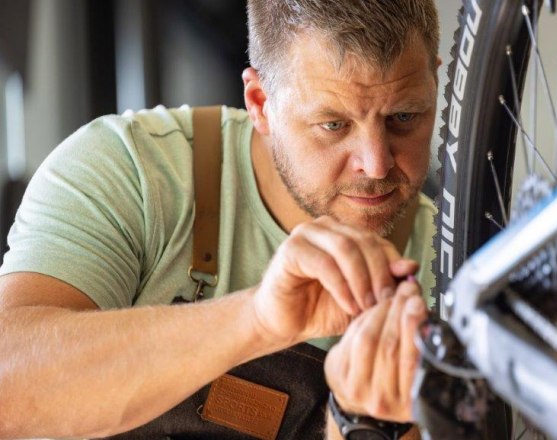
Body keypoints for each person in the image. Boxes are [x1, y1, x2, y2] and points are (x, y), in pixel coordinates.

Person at [0, 0, 440, 438]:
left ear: (435, 83)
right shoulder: (131, 170)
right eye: (333, 125)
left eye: (404, 117)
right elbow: (9, 391)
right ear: (260, 102)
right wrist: (256, 320)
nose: (376, 164)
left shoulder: (457, 263)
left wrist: (361, 422)